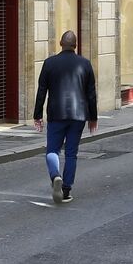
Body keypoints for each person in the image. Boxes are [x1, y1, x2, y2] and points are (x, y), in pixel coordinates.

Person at [33, 31, 98, 204]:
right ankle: (66, 189)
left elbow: (41, 91)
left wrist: (37, 115)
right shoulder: (85, 64)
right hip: (78, 115)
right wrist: (93, 117)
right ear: (75, 45)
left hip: (56, 113)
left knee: (52, 150)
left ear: (60, 43)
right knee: (71, 153)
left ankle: (55, 176)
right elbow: (91, 93)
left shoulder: (49, 63)